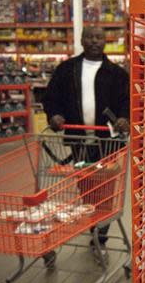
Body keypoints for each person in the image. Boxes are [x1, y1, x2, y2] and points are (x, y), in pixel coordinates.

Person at [42, 26, 130, 267]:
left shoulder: (117, 74)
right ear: (82, 40)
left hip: (107, 143)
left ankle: (99, 238)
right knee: (86, 190)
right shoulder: (66, 70)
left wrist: (125, 118)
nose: (94, 41)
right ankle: (92, 226)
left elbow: (128, 101)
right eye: (90, 37)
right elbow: (51, 98)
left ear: (105, 41)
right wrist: (55, 115)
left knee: (105, 191)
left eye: (99, 37)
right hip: (78, 141)